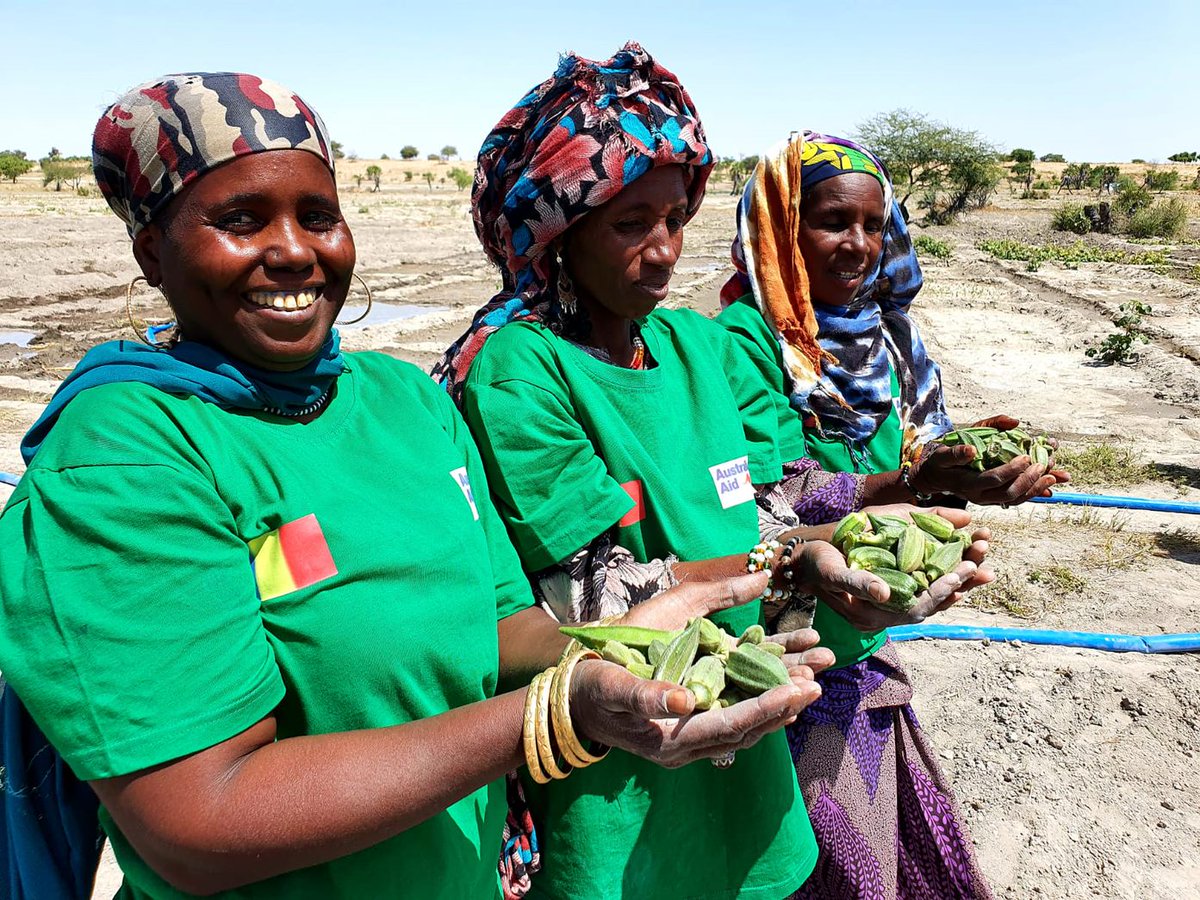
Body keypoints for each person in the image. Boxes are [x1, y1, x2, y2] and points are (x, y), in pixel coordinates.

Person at [0, 73, 828, 900]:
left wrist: (653, 651)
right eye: (241, 221)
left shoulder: (406, 403)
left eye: (317, 216)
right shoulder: (123, 463)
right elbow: (198, 819)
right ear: (152, 251)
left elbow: (504, 628)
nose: (294, 251)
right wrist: (559, 714)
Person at [435, 46, 992, 900]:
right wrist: (797, 566)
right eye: (631, 224)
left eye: (674, 218)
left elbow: (768, 509)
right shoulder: (523, 371)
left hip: (752, 761)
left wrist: (862, 537)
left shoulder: (696, 345)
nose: (664, 252)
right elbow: (594, 597)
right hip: (628, 780)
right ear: (557, 233)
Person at [716, 132, 1065, 898]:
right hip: (780, 653)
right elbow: (773, 502)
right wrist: (911, 479)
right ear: (780, 229)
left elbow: (912, 469)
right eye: (833, 221)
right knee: (818, 866)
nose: (859, 245)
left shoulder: (885, 341)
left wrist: (970, 476)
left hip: (862, 643)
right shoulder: (742, 346)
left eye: (875, 224)